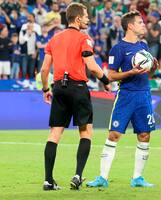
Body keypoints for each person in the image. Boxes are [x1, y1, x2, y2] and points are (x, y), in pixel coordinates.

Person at [40, 2, 111, 191]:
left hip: (59, 89)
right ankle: (78, 175)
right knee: (86, 132)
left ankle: (48, 180)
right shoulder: (84, 38)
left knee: (54, 134)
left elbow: (44, 69)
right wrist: (105, 80)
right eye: (86, 16)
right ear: (78, 18)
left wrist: (46, 89)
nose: (88, 19)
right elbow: (92, 66)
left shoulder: (54, 39)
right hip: (78, 88)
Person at [86, 10, 157, 188]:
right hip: (126, 96)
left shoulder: (144, 47)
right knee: (114, 134)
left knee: (144, 135)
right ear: (130, 26)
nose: (143, 25)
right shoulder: (118, 49)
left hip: (144, 95)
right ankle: (102, 177)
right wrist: (131, 72)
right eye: (140, 22)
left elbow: (149, 74)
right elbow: (109, 76)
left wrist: (153, 67)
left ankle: (138, 178)